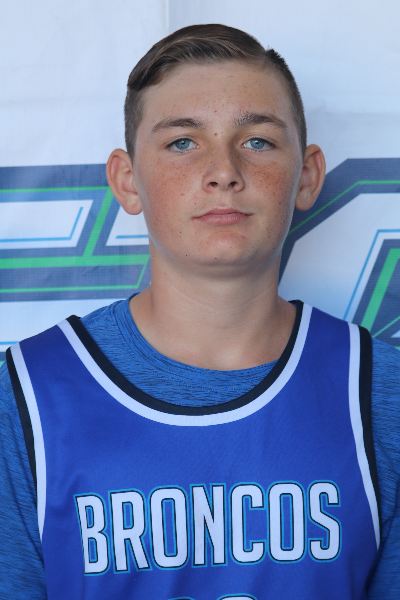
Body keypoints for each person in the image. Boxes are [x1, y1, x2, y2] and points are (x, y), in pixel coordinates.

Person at [1, 23, 399, 600]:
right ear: (127, 180)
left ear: (308, 175)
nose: (223, 172)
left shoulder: (381, 392)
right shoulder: (25, 399)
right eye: (183, 143)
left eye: (257, 140)